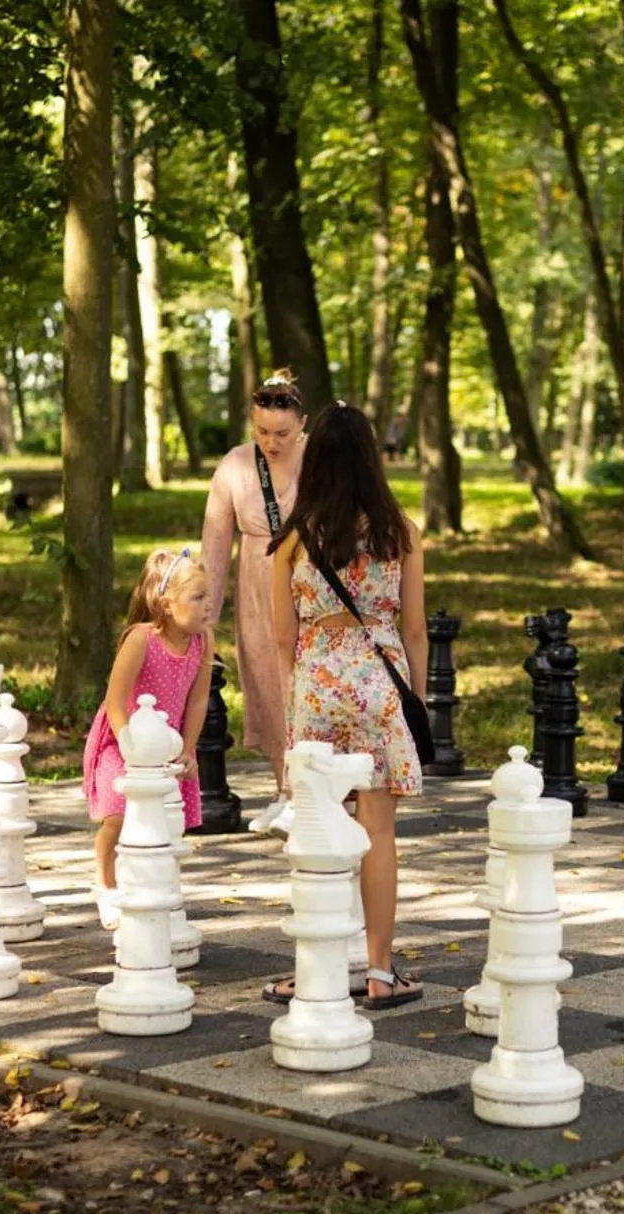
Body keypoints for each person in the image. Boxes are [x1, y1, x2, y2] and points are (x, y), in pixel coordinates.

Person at [266, 402, 428, 1009]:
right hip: (379, 690)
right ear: (370, 459)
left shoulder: (293, 540)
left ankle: (317, 968)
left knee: (317, 829)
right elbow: (414, 630)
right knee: (378, 833)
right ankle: (381, 971)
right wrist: (417, 697)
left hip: (316, 687)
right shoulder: (399, 533)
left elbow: (282, 639)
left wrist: (296, 701)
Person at [202, 371, 308, 836]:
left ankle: (310, 793)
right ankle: (283, 789)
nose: (271, 441)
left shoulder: (320, 460)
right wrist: (205, 615)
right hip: (257, 586)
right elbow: (214, 544)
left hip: (310, 583)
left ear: (302, 424)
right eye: (262, 431)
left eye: (282, 433)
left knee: (306, 684)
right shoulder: (235, 465)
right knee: (266, 683)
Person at [82, 548, 214, 910]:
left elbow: (198, 700)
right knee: (118, 815)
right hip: (121, 738)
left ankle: (150, 888)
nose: (208, 606)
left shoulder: (203, 640)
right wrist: (130, 744)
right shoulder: (141, 638)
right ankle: (106, 888)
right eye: (198, 597)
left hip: (167, 745)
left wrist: (188, 749)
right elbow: (114, 701)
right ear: (167, 604)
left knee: (165, 823)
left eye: (208, 597)